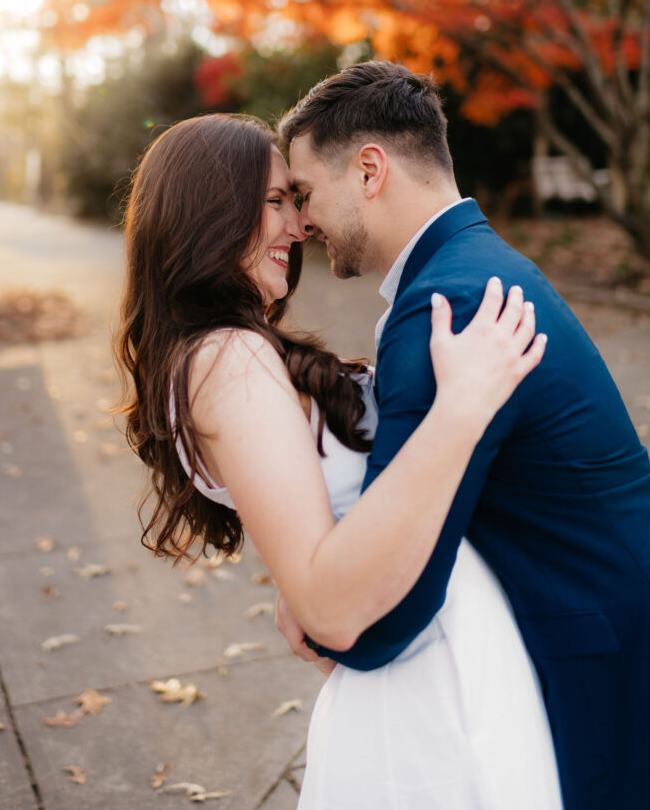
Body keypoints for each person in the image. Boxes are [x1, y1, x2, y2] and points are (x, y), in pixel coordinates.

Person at [114, 112, 561, 809]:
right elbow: (327, 606)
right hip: (423, 678)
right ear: (207, 211)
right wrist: (461, 409)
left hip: (441, 640)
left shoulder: (225, 351)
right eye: (272, 202)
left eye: (294, 202)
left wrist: (295, 582)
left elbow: (313, 535)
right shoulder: (224, 358)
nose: (296, 228)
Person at [278, 60, 650, 810]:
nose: (300, 220)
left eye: (306, 192)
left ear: (370, 170)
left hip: (586, 633)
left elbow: (396, 600)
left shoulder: (444, 304)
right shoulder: (472, 265)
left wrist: (323, 623)